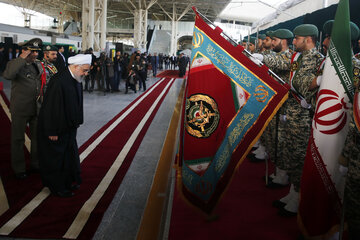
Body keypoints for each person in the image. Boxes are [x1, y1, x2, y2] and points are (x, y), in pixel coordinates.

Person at [274, 24, 324, 217]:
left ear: (308, 39)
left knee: (299, 157)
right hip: (292, 113)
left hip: (304, 118)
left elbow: (306, 85)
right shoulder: (298, 57)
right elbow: (292, 78)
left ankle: (298, 197)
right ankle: (293, 192)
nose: (293, 41)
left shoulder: (319, 60)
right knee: (290, 153)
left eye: (297, 38)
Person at [323, 20, 360, 239]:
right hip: (334, 133)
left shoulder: (355, 68)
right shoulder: (334, 65)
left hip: (346, 136)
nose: (327, 42)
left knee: (346, 192)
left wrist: (346, 153)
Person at [37, 54, 91, 197]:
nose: (86, 74)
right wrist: (51, 131)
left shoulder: (75, 78)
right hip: (57, 129)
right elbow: (49, 108)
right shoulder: (59, 81)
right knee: (56, 159)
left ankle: (67, 183)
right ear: (75, 67)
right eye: (84, 70)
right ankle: (57, 188)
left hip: (69, 127)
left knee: (68, 157)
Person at [254, 29, 294, 188]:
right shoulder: (274, 55)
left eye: (275, 40)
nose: (271, 43)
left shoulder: (290, 56)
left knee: (281, 143)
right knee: (273, 140)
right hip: (274, 105)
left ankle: (283, 176)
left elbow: (280, 63)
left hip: (285, 108)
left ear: (283, 41)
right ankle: (278, 172)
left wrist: (262, 57)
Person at [3, 38, 45, 179]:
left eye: (36, 52)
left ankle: (36, 164)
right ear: (25, 51)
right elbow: (8, 75)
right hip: (20, 108)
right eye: (32, 52)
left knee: (37, 139)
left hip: (36, 108)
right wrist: (22, 58)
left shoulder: (37, 65)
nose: (35, 55)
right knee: (18, 139)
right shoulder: (15, 64)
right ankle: (19, 169)